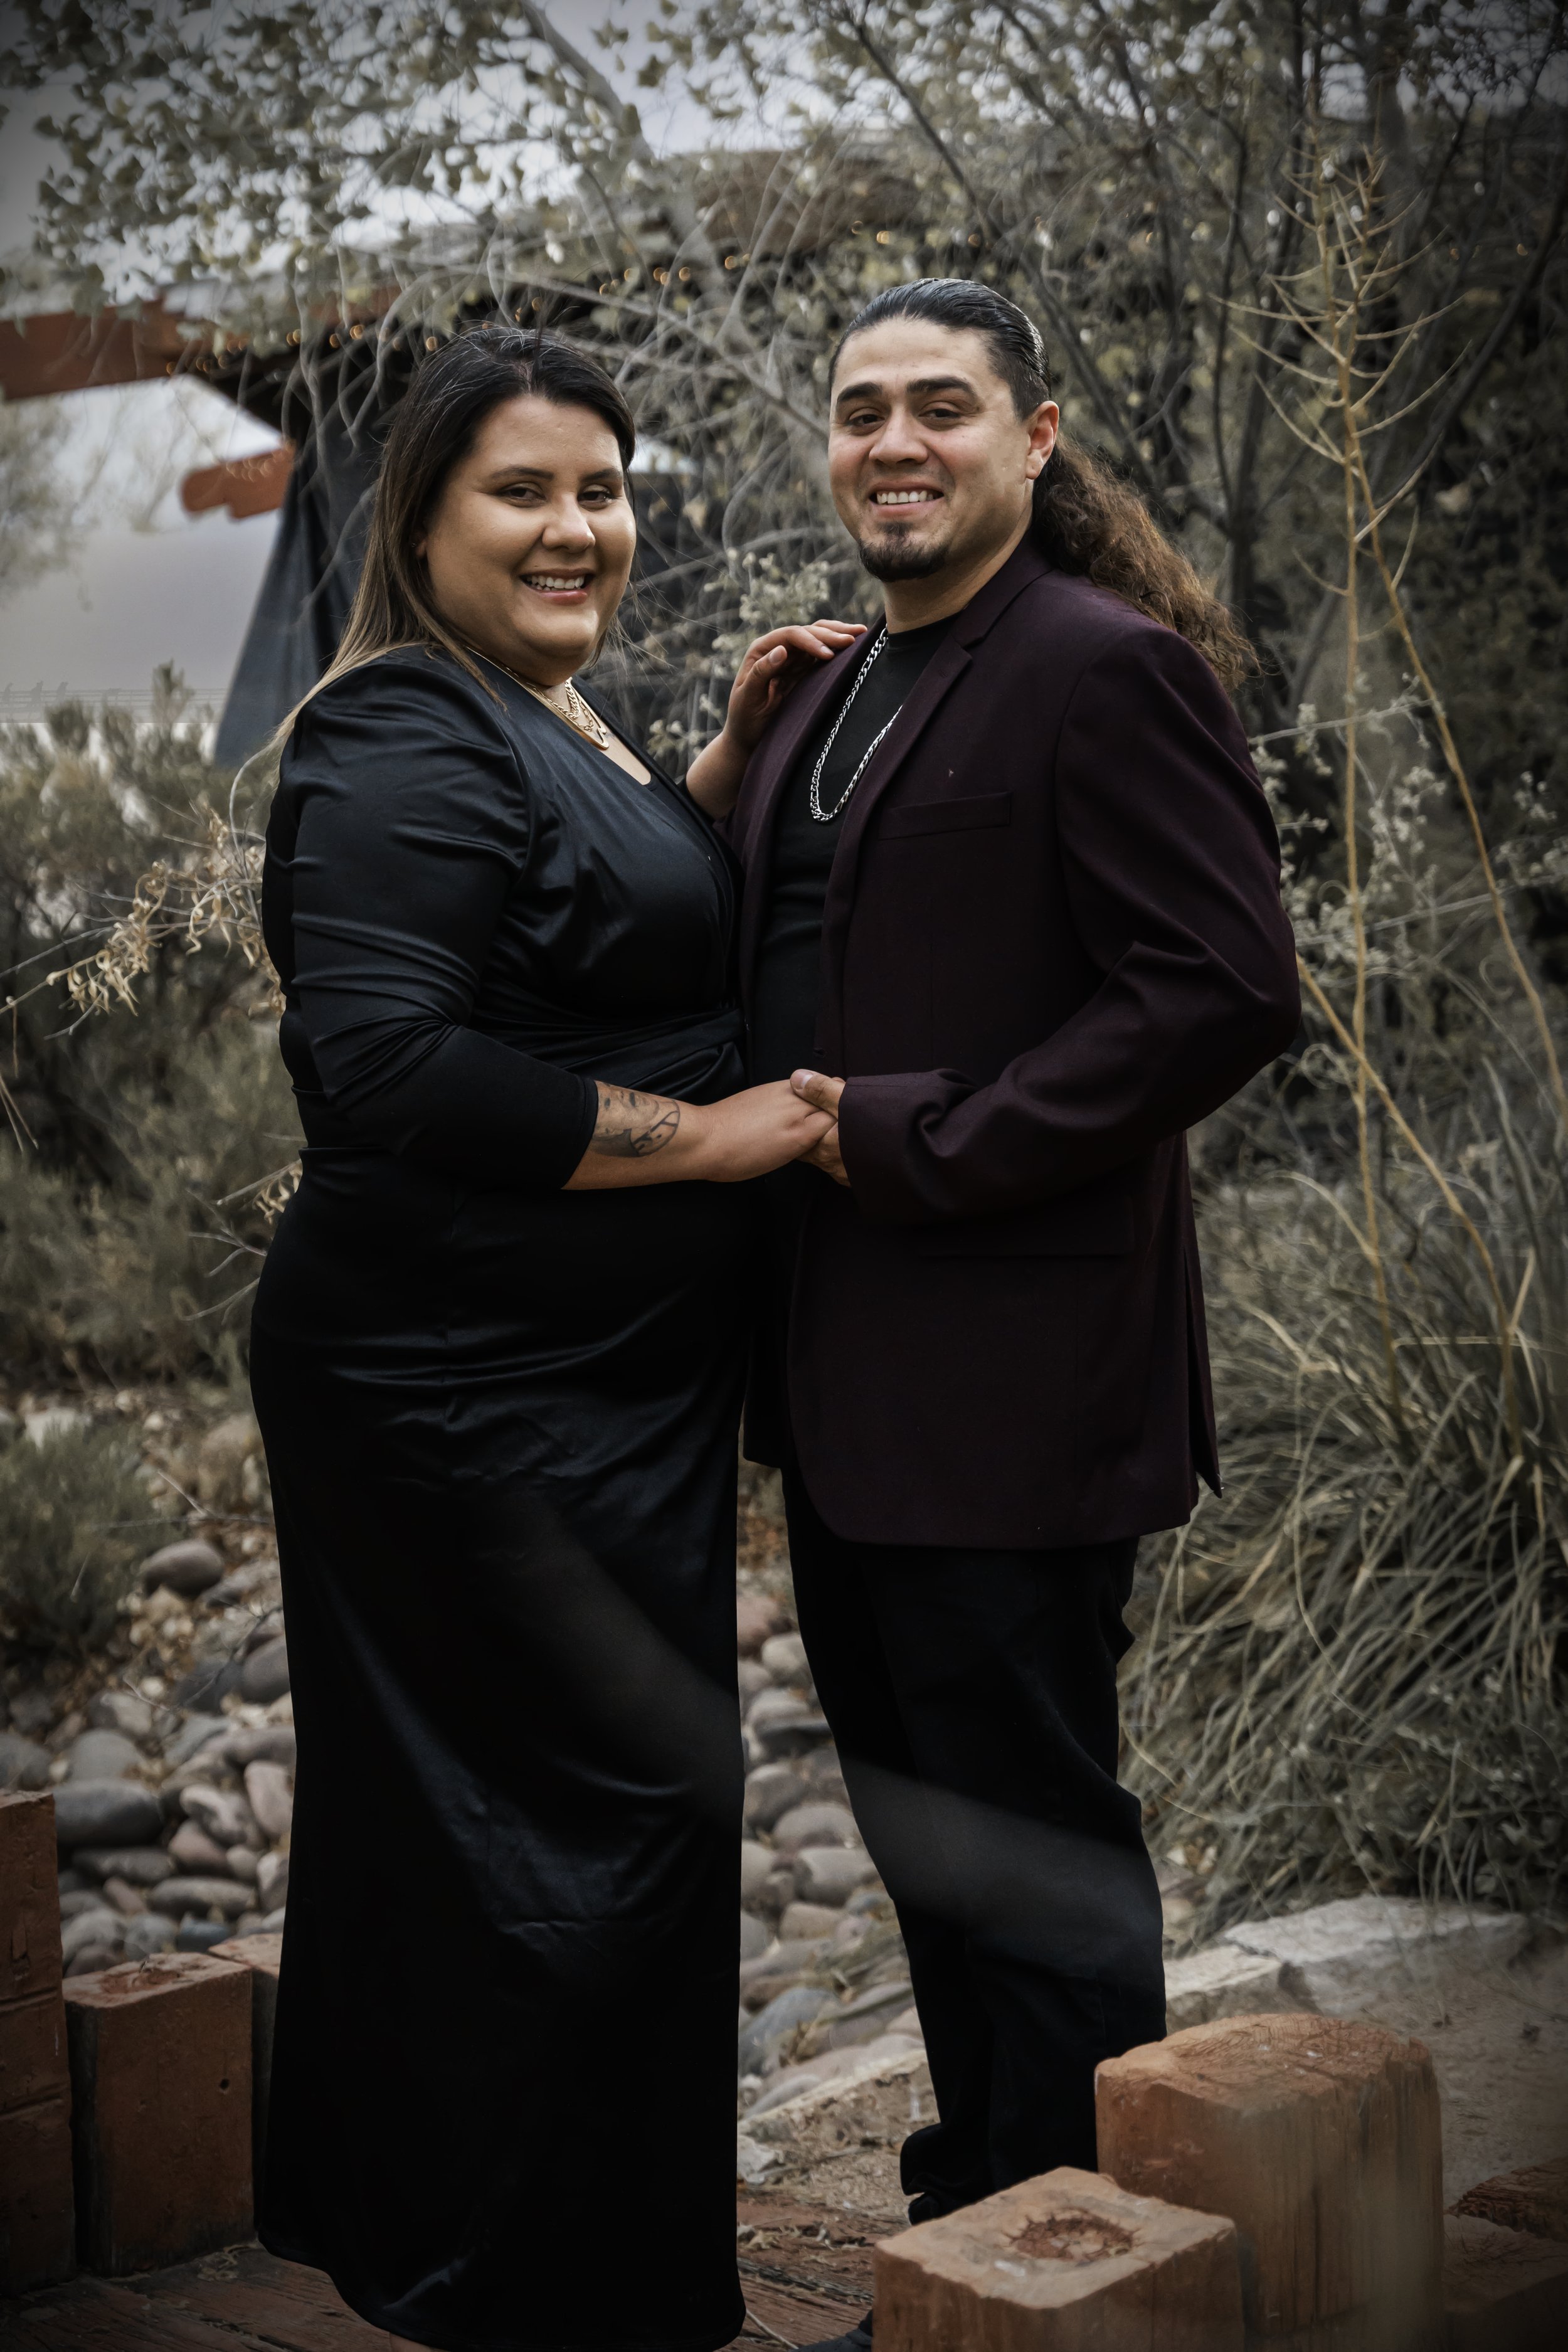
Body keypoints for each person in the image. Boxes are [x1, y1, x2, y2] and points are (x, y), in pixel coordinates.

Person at [249, 322, 862, 2352]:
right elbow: (392, 1065)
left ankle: (562, 2276)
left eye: (601, 487)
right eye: (521, 490)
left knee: (580, 1824)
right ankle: (528, 2293)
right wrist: (714, 1139)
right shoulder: (394, 734)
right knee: (549, 1839)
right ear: (418, 520)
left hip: (581, 1393)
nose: (575, 525)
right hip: (457, 1393)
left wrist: (715, 774)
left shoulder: (542, 715)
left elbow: (570, 926)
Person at [710, 278, 1301, 2350]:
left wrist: (917, 1135)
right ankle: (978, 2245)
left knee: (1034, 1864)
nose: (892, 441)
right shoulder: (834, 690)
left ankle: (1076, 2286)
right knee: (933, 1848)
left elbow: (1220, 990)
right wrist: (725, 760)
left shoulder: (1098, 666)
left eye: (939, 407)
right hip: (841, 1390)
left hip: (1018, 1388)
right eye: (860, 407)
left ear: (1031, 439)